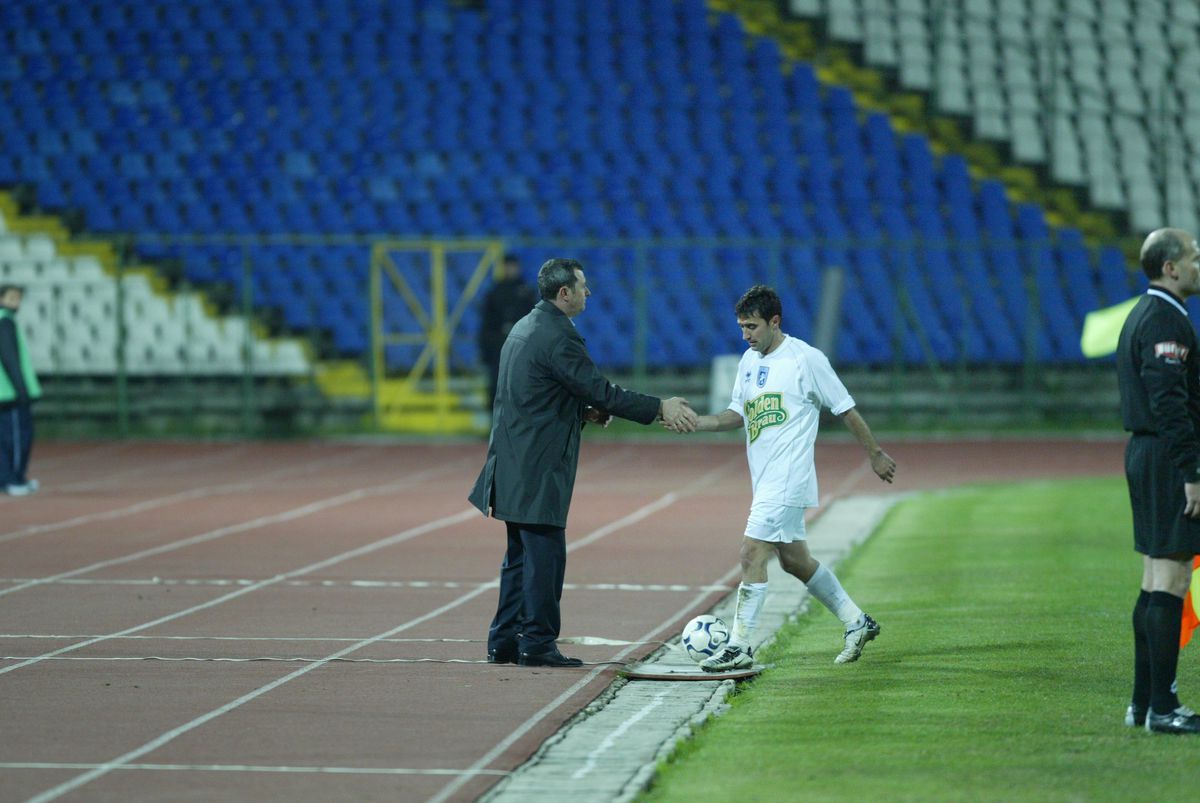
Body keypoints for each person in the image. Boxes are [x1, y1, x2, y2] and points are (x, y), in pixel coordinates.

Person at [468, 258, 698, 668]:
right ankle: (536, 643)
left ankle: (503, 641)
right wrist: (660, 407)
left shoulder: (524, 327)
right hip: (536, 466)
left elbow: (534, 395)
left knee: (519, 558)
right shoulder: (558, 335)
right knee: (544, 556)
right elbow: (601, 390)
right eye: (583, 286)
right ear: (565, 294)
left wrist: (581, 412)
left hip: (512, 459)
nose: (588, 293)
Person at [670, 284, 895, 670]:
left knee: (750, 552)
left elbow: (846, 409)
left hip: (788, 478)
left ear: (775, 322)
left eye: (752, 326)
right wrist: (698, 422)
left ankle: (740, 646)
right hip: (767, 480)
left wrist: (874, 454)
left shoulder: (806, 359)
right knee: (794, 561)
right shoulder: (748, 361)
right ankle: (857, 621)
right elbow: (735, 416)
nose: (745, 335)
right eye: (741, 326)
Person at [1117, 227, 1200, 734]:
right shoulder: (1166, 320)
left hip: (1147, 454)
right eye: (1194, 257)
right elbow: (1170, 403)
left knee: (1154, 579)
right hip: (1168, 458)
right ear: (1170, 267)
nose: (1198, 265)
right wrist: (1192, 471)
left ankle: (1143, 703)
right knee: (1172, 578)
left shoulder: (1142, 314)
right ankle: (1164, 708)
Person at [478, 254, 536, 415]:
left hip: (521, 346)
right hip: (499, 346)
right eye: (507, 266)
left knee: (523, 385)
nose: (510, 270)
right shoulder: (494, 292)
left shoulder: (527, 292)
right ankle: (495, 423)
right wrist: (486, 350)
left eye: (513, 266)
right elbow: (487, 323)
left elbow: (535, 322)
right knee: (496, 384)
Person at [0, 284, 41, 496]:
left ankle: (10, 478)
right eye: (11, 298)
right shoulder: (4, 322)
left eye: (18, 298)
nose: (16, 303)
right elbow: (8, 357)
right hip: (9, 393)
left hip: (6, 392)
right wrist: (21, 389)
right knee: (17, 438)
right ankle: (13, 479)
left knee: (6, 438)